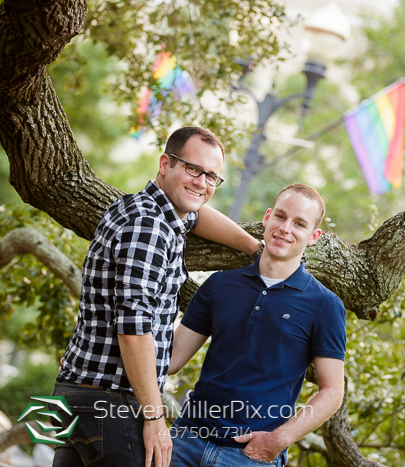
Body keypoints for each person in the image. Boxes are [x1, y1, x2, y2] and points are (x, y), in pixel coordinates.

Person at [52, 126, 264, 467]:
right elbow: (133, 328)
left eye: (212, 176)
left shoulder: (145, 209)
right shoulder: (149, 228)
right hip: (113, 402)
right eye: (193, 169)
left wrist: (255, 247)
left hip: (79, 393)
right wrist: (153, 417)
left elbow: (197, 214)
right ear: (165, 164)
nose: (201, 183)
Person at [167, 184, 346, 467]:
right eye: (280, 216)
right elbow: (172, 357)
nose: (285, 228)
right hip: (186, 442)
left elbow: (332, 391)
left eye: (299, 223)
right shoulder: (220, 284)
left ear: (314, 237)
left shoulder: (325, 305)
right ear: (267, 217)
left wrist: (278, 440)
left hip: (250, 457)